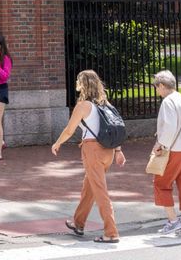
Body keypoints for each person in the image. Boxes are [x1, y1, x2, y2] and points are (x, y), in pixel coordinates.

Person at [51, 69, 124, 243]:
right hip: (108, 150)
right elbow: (113, 128)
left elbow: (69, 130)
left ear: (83, 84)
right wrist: (119, 151)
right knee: (89, 188)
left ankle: (111, 232)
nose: (76, 84)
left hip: (92, 150)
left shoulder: (83, 106)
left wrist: (58, 143)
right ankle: (78, 223)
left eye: (78, 81)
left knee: (100, 191)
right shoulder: (104, 103)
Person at [150, 70, 181, 239]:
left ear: (162, 85)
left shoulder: (168, 102)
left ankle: (173, 220)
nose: (157, 90)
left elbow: (169, 127)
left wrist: (161, 146)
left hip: (175, 149)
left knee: (161, 183)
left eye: (157, 87)